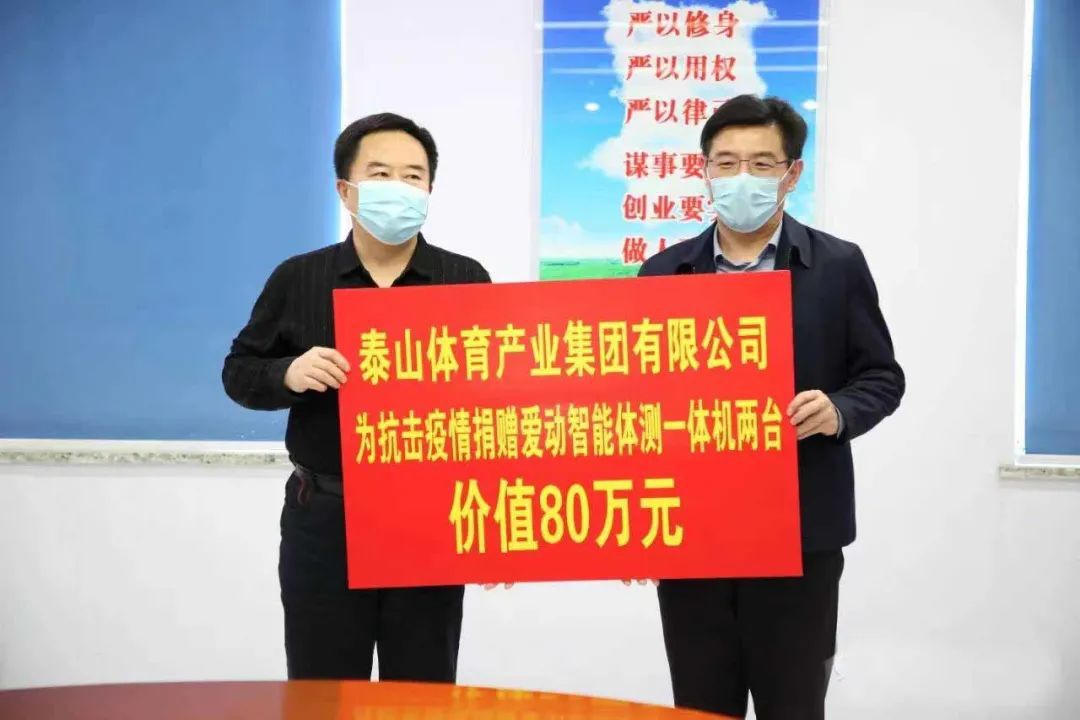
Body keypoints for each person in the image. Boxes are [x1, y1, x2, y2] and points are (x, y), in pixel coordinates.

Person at [638, 95, 905, 719]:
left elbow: (881, 377)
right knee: (701, 705)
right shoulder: (664, 273)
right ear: (704, 170)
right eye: (726, 163)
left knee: (794, 704)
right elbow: (638, 400)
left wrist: (837, 410)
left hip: (800, 536)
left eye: (761, 164)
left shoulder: (837, 266)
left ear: (792, 174)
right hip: (694, 537)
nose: (742, 178)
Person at [222, 112, 491, 681]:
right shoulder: (298, 278)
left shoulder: (465, 278)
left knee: (421, 691)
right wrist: (288, 374)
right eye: (381, 174)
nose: (399, 188)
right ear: (346, 191)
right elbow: (238, 372)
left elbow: (494, 400)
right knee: (323, 688)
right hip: (325, 516)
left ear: (430, 190)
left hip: (429, 517)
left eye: (413, 176)